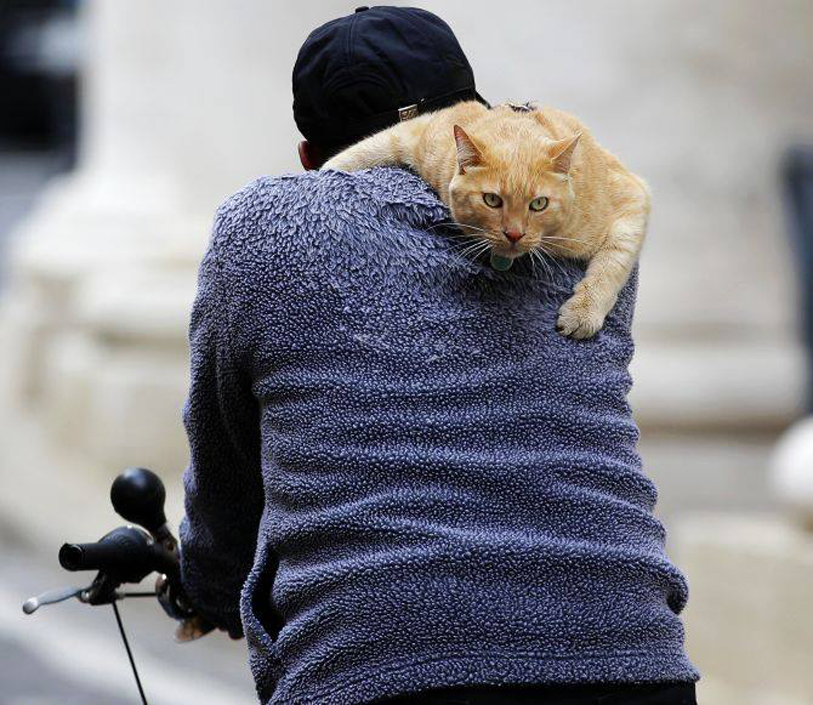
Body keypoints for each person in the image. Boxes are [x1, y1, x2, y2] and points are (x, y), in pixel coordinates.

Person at [177, 7, 699, 704]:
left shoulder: (264, 228)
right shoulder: (568, 224)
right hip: (630, 656)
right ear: (472, 115)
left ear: (309, 160)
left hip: (378, 667)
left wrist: (207, 585)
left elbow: (225, 458)